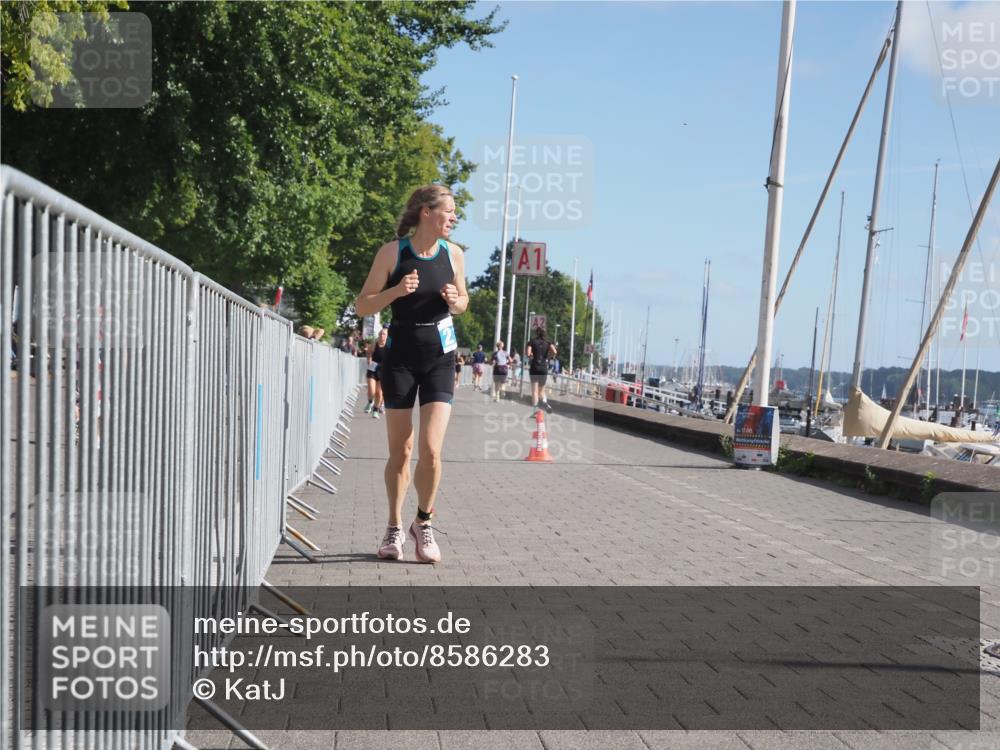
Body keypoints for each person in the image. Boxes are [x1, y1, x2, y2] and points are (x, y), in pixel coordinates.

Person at [354, 185, 468, 564]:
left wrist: (457, 301)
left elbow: (464, 301)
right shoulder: (393, 252)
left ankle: (424, 521)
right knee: (400, 451)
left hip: (440, 355)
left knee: (432, 451)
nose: (454, 217)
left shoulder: (454, 255)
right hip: (400, 355)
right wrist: (397, 291)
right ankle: (393, 527)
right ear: (426, 212)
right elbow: (362, 304)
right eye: (448, 211)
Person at [526, 327, 557, 412]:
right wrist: (548, 356)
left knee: (535, 391)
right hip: (543, 367)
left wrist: (531, 355)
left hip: (535, 366)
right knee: (542, 391)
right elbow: (555, 352)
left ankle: (535, 411)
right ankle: (546, 404)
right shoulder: (548, 342)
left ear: (536, 333)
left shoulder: (532, 342)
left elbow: (528, 353)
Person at [364, 327, 389, 418]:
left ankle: (375, 410)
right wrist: (369, 359)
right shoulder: (375, 343)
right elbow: (369, 353)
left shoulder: (389, 344)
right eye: (380, 334)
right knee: (371, 389)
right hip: (373, 368)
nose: (381, 336)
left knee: (379, 393)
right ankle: (370, 402)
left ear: (387, 336)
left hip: (384, 370)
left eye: (384, 334)